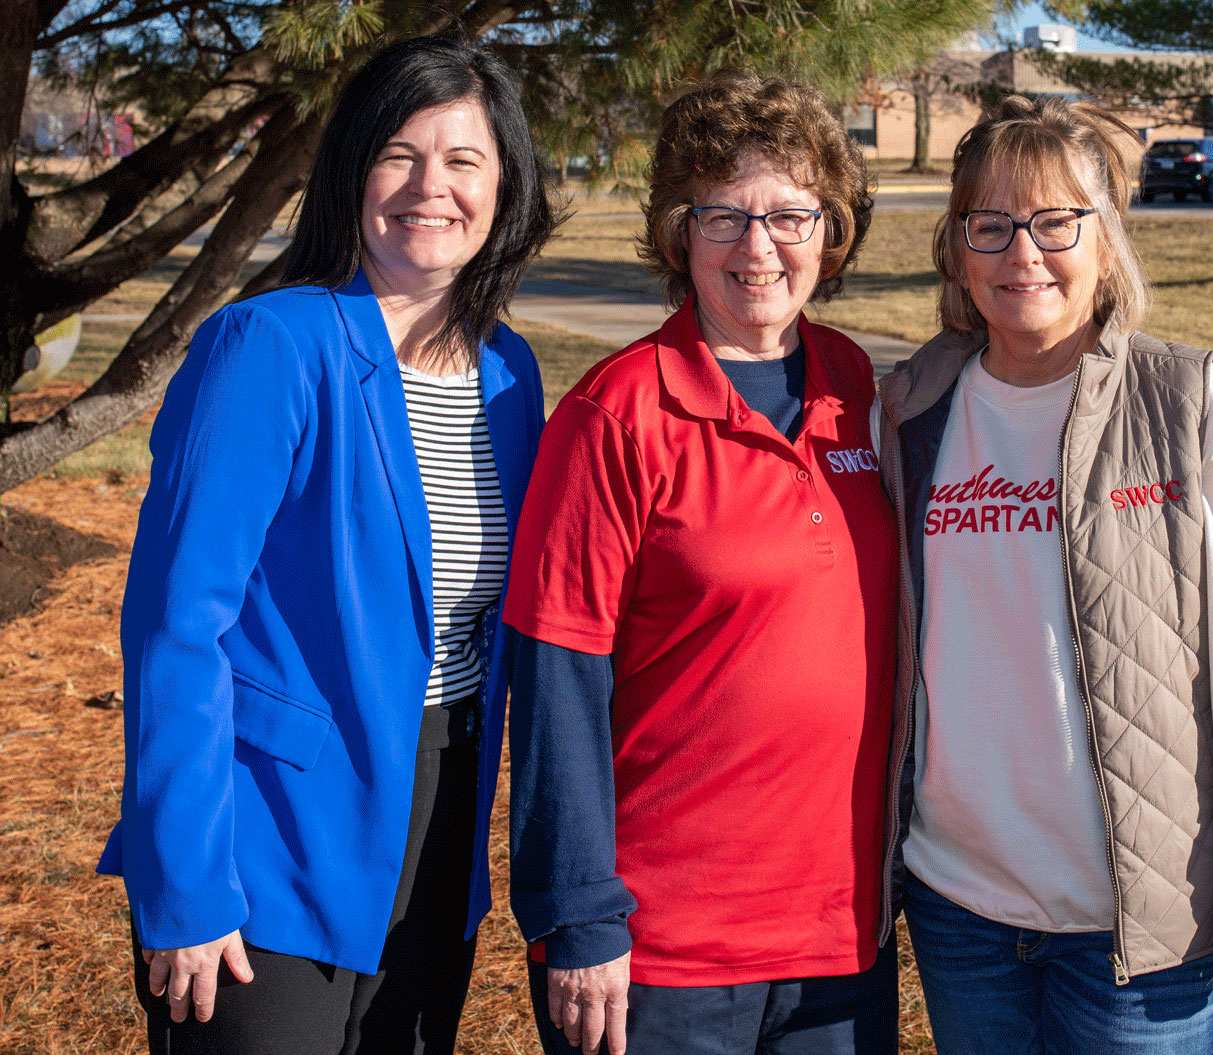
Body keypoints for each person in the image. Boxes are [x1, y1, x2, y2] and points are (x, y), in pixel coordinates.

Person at [96, 35, 554, 1054]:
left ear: (504, 185)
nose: (430, 187)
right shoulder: (271, 345)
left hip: (438, 817)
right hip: (266, 833)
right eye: (399, 154)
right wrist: (186, 887)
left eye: (464, 160)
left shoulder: (509, 373)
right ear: (351, 169)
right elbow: (177, 629)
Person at [870, 94, 1213, 1054]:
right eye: (989, 225)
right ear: (957, 249)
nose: (1021, 253)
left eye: (1055, 222)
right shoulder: (913, 410)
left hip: (1142, 927)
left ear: (1106, 240)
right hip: (962, 907)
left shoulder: (1194, 404)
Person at [503, 69, 900, 1055]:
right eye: (723, 214)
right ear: (679, 233)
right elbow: (556, 675)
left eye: (790, 214)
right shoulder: (616, 412)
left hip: (838, 943)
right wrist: (581, 915)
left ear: (831, 231)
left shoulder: (862, 387)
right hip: (662, 952)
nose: (758, 247)